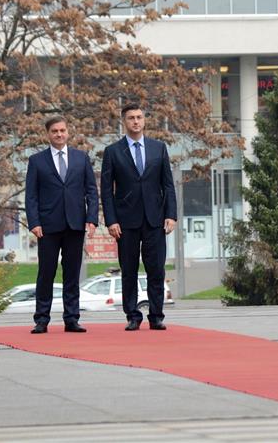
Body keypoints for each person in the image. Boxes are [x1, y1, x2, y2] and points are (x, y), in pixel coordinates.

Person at [101, 103, 177, 331]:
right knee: (129, 270)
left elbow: (168, 185)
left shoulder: (158, 148)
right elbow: (106, 189)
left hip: (155, 219)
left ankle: (156, 316)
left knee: (156, 269)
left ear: (144, 121)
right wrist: (111, 220)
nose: (136, 121)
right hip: (125, 222)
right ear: (124, 122)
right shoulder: (113, 151)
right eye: (131, 118)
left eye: (139, 117)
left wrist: (171, 215)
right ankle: (133, 315)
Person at [25, 116, 98, 334]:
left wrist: (92, 219)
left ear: (68, 132)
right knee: (46, 273)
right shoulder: (37, 161)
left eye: (63, 130)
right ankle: (41, 319)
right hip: (47, 226)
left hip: (75, 225)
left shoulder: (81, 158)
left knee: (72, 273)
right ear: (48, 134)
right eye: (55, 131)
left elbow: (91, 191)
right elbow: (31, 196)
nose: (59, 134)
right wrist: (34, 223)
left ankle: (71, 318)